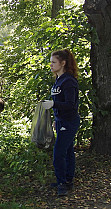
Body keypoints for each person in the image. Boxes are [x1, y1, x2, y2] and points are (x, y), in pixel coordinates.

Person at [42, 49, 80, 196]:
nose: (50, 65)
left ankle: (62, 183)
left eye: (53, 62)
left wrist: (53, 105)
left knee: (58, 153)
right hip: (61, 121)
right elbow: (59, 102)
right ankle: (68, 180)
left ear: (63, 63)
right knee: (68, 150)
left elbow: (71, 105)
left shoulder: (69, 81)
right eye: (50, 62)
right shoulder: (58, 79)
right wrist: (56, 119)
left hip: (69, 122)